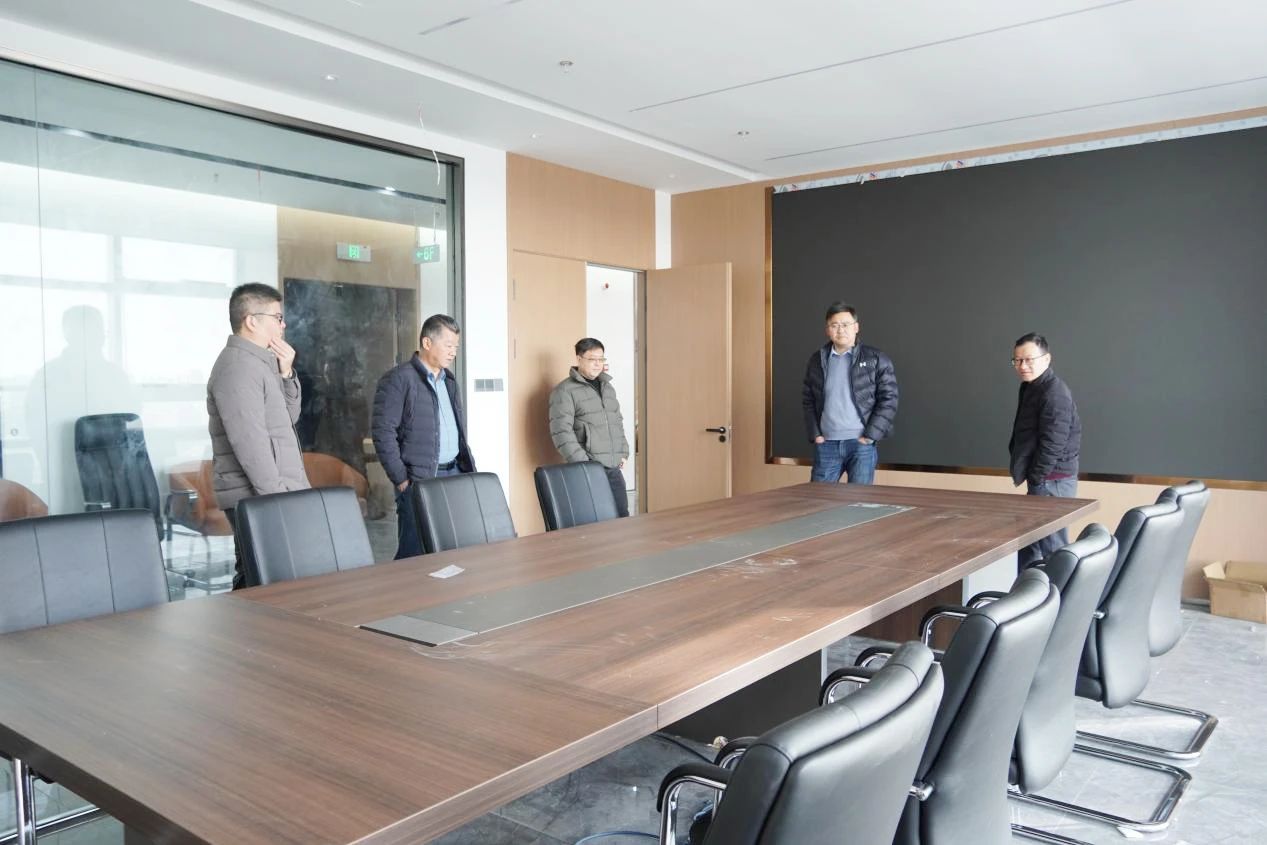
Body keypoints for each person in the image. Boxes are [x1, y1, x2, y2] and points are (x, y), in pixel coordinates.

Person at [207, 283, 309, 589]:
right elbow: (250, 445)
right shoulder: (238, 368)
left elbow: (287, 420)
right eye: (277, 317)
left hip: (274, 491)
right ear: (251, 321)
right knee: (260, 580)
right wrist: (277, 499)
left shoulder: (259, 363)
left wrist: (286, 373)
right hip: (258, 496)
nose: (283, 324)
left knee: (273, 578)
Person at [371, 314, 476, 558]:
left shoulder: (449, 381)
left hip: (454, 473)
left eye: (456, 347)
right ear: (427, 343)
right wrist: (401, 478)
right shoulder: (398, 379)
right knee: (414, 553)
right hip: (419, 478)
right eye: (448, 345)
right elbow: (383, 432)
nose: (453, 352)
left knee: (452, 547)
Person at [801, 302, 898, 484]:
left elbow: (889, 399)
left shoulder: (876, 358)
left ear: (856, 327)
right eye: (834, 325)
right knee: (818, 498)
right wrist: (816, 435)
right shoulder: (817, 360)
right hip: (827, 444)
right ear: (827, 330)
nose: (840, 330)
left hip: (861, 445)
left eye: (845, 324)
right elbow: (808, 400)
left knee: (858, 500)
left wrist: (869, 436)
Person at [1008, 332, 1082, 568]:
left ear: (1047, 359)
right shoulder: (1031, 387)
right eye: (1017, 360)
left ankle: (1057, 591)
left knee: (1053, 550)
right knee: (1029, 542)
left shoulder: (1054, 392)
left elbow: (1054, 442)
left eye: (1029, 359)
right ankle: (1026, 589)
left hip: (1053, 481)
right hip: (1043, 478)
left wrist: (1038, 477)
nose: (1023, 366)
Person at [549, 338, 632, 517]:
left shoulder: (608, 388)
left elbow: (617, 421)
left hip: (613, 468)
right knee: (595, 521)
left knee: (622, 518)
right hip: (588, 469)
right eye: (592, 359)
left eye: (601, 359)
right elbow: (561, 432)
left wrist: (624, 452)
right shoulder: (564, 391)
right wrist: (584, 463)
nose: (597, 364)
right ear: (579, 359)